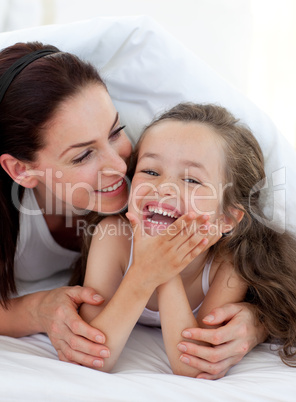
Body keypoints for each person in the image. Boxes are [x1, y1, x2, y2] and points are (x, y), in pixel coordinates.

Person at [0, 41, 265, 378]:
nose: (119, 166)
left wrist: (261, 318)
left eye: (116, 132)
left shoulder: (163, 147)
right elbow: (99, 351)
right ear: (22, 170)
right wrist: (33, 309)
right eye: (82, 156)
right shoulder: (114, 234)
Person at [79, 103, 296, 377]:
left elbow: (191, 364)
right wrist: (145, 272)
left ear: (226, 218)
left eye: (192, 180)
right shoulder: (113, 239)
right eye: (151, 171)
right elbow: (93, 354)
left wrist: (164, 268)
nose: (164, 188)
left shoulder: (228, 262)